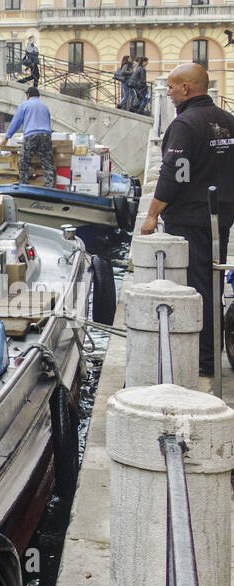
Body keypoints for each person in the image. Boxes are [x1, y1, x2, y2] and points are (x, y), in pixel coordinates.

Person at [141, 63, 234, 376]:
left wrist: (152, 214)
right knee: (213, 283)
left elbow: (173, 174)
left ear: (186, 88)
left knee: (195, 288)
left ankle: (204, 360)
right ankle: (210, 355)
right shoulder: (228, 121)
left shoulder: (185, 124)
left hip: (190, 219)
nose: (167, 93)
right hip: (220, 218)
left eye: (170, 87)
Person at [0, 87, 55, 187]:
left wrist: (7, 137)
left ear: (28, 95)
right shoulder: (45, 107)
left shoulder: (25, 105)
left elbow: (16, 122)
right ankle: (50, 185)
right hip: (46, 135)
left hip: (31, 135)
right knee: (47, 163)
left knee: (24, 161)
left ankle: (24, 184)